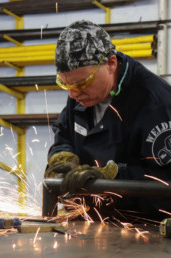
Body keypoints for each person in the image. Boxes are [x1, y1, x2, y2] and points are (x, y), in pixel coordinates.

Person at [44, 20, 171, 221]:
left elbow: (163, 182)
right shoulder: (82, 94)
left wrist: (111, 176)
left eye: (81, 83)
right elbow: (64, 132)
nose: (73, 94)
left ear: (111, 64)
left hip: (142, 232)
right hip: (87, 221)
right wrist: (63, 156)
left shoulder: (156, 103)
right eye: (65, 84)